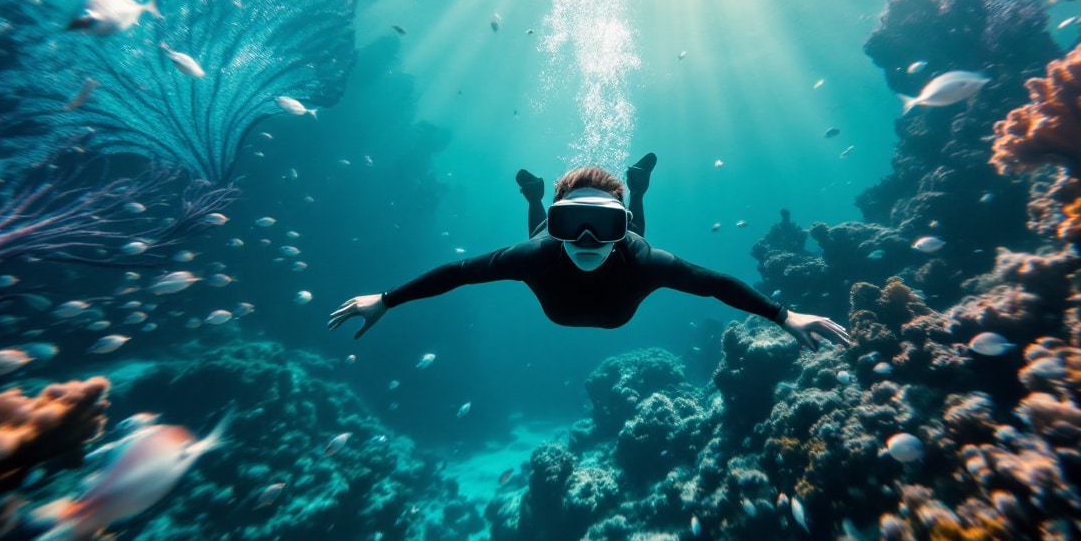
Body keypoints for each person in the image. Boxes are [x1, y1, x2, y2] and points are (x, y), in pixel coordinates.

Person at [328, 154, 850, 348]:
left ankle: (636, 189)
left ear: (616, 228)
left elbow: (716, 285)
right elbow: (459, 272)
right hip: (547, 244)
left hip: (623, 244)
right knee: (537, 238)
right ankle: (537, 200)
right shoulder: (537, 253)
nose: (584, 239)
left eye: (603, 226)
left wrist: (785, 316)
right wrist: (386, 299)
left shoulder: (642, 258)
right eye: (570, 224)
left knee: (636, 235)